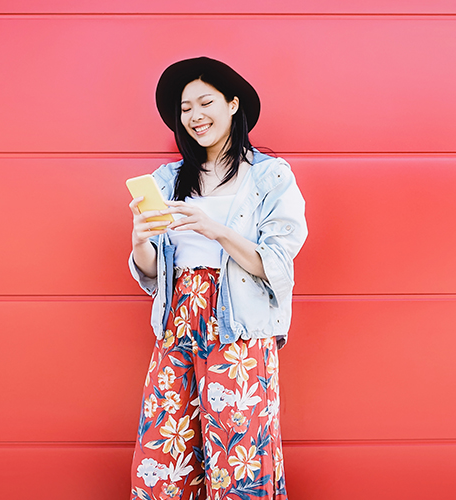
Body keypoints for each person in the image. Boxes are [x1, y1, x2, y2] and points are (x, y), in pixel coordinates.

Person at [128, 56, 307, 500]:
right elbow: (154, 271)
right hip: (176, 325)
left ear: (232, 104)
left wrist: (216, 230)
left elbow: (278, 263)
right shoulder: (167, 180)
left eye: (205, 102)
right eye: (185, 109)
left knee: (239, 457)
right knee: (163, 460)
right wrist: (139, 242)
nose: (194, 116)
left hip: (239, 327)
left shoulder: (269, 176)